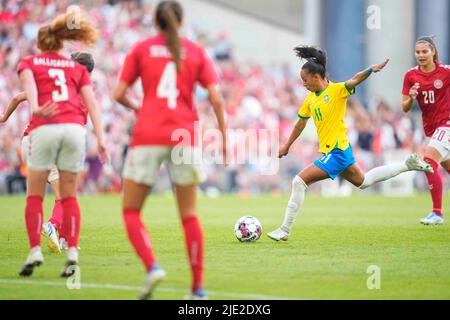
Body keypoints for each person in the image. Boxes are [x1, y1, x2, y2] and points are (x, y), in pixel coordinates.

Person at [113, 0, 226, 300]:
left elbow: (118, 93)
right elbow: (216, 98)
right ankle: (197, 289)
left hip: (148, 134)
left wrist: (140, 107)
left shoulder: (141, 48)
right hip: (184, 135)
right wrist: (225, 137)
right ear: (181, 20)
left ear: (156, 21)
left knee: (131, 210)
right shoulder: (196, 52)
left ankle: (153, 267)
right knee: (189, 214)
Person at [267, 45, 433, 242]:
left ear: (315, 77)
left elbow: (354, 79)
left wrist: (371, 70)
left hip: (337, 151)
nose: (303, 84)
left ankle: (284, 230)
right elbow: (300, 125)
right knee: (364, 182)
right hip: (339, 151)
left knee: (299, 181)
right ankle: (407, 165)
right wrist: (287, 145)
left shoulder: (337, 91)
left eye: (304, 80)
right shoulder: (310, 100)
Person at [16, 10, 107, 277]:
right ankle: (65, 241)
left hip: (38, 136)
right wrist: (100, 138)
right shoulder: (79, 78)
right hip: (69, 136)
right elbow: (90, 107)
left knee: (36, 195)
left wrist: (5, 116)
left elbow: (23, 96)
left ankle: (39, 247)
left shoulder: (35, 64)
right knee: (67, 195)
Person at [1, 51, 96, 252]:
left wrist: (3, 118)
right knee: (66, 195)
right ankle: (53, 226)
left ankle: (64, 239)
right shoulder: (82, 95)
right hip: (46, 144)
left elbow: (18, 97)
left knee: (61, 193)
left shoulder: (51, 82)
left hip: (28, 143)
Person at [402, 36, 450, 225]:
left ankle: (437, 213)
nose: (420, 55)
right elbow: (404, 108)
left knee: (428, 162)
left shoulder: (446, 72)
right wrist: (411, 98)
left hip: (446, 124)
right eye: (417, 52)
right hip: (430, 129)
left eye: (424, 51)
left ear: (433, 52)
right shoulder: (410, 75)